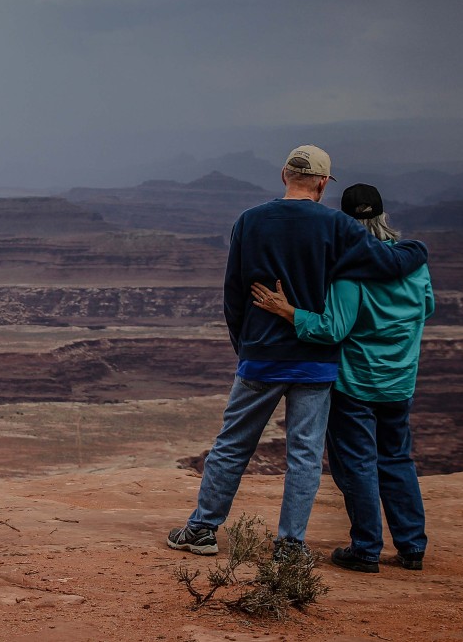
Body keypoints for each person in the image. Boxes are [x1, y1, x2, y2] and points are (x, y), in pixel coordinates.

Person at [167, 147, 429, 557]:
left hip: (261, 355)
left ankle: (202, 529)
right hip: (314, 361)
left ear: (284, 173)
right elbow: (385, 262)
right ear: (323, 183)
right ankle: (290, 544)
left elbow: (234, 292)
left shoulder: (249, 221)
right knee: (304, 455)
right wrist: (419, 250)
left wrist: (245, 345)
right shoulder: (336, 225)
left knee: (232, 444)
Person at [250, 183, 432, 573]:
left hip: (357, 385)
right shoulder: (414, 264)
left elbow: (333, 329)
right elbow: (426, 307)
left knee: (360, 465)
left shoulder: (350, 272)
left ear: (345, 223)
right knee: (398, 458)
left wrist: (289, 312)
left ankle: (366, 548)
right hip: (400, 381)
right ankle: (412, 547)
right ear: (383, 216)